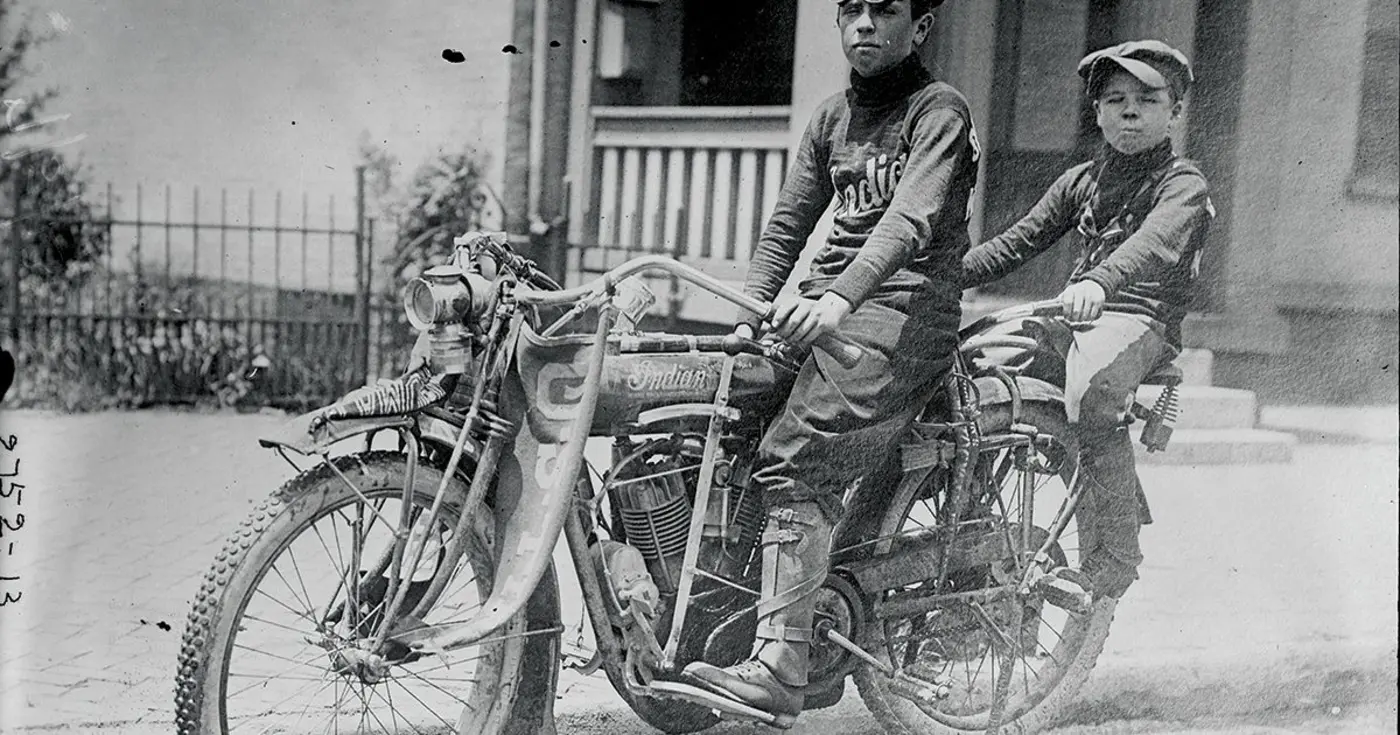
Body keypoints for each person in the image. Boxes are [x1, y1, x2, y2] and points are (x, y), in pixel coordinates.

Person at [681, 0, 980, 725]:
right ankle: (704, 628)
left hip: (906, 314)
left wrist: (838, 299)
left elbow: (910, 220)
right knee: (713, 410)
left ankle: (783, 664)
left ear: (923, 26)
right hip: (831, 307)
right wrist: (750, 313)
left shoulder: (938, 111)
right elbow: (790, 222)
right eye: (851, 10)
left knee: (795, 454)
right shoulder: (829, 118)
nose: (864, 25)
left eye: (885, 10)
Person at [958, 40, 1213, 603]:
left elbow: (1150, 245)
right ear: (1096, 111)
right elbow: (1020, 240)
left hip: (1137, 319)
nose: (1129, 111)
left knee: (1093, 393)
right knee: (977, 377)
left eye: (1147, 100)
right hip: (1075, 311)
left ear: (1174, 111)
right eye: (1115, 98)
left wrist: (1098, 282)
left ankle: (1115, 556)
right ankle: (971, 530)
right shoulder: (1082, 180)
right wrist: (943, 277)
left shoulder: (1183, 185)